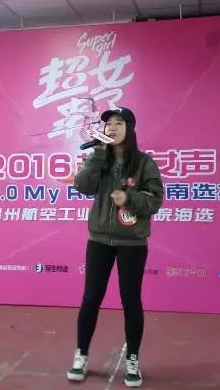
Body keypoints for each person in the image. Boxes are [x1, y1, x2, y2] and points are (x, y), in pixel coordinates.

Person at [67, 107, 163, 388]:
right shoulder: (100, 158)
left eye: (119, 123)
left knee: (131, 300)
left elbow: (156, 200)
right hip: (99, 240)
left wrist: (129, 199)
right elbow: (83, 186)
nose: (112, 127)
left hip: (132, 242)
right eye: (108, 123)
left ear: (129, 129)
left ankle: (132, 358)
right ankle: (81, 354)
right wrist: (98, 154)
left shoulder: (144, 163)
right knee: (90, 298)